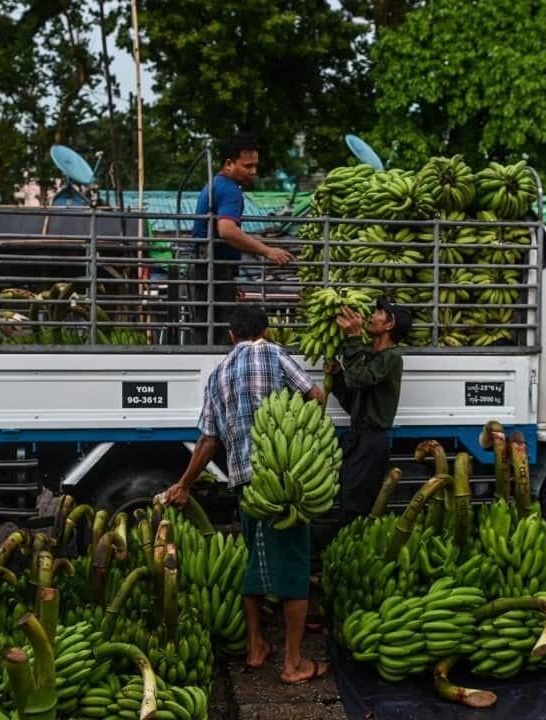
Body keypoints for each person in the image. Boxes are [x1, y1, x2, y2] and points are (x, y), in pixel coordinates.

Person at [159, 305, 329, 685]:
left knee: (256, 560)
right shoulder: (273, 353)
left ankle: (256, 648)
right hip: (283, 478)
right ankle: (294, 663)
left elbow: (207, 440)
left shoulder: (217, 373)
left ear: (231, 334)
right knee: (294, 567)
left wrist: (185, 484)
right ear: (265, 331)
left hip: (245, 483)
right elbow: (315, 396)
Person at [190, 134, 294, 337]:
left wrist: (233, 279)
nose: (253, 172)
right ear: (229, 164)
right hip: (213, 270)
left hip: (209, 267)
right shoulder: (230, 191)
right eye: (247, 166)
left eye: (255, 166)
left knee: (206, 328)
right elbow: (227, 230)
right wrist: (267, 251)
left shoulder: (215, 185)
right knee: (219, 333)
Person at [327, 298, 410, 525]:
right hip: (358, 437)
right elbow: (353, 400)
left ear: (389, 325)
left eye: (380, 313)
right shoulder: (372, 356)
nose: (372, 316)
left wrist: (354, 338)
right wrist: (336, 377)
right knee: (348, 497)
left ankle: (353, 549)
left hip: (372, 441)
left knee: (357, 504)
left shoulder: (391, 358)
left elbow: (358, 378)